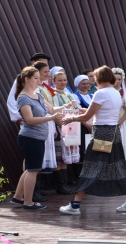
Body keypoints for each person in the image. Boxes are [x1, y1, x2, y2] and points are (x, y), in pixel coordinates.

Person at [61, 66, 126, 215]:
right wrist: (81, 111)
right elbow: (99, 111)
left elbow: (86, 117)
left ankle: (75, 205)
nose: (93, 81)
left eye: (94, 78)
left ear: (99, 78)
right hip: (114, 132)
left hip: (101, 133)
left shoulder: (100, 93)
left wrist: (71, 117)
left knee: (91, 166)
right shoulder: (116, 93)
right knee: (117, 166)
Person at [9, 67, 64, 210]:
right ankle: (28, 202)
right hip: (30, 138)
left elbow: (51, 110)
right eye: (36, 78)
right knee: (33, 170)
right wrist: (50, 118)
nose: (39, 81)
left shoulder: (38, 95)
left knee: (30, 169)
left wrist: (68, 107)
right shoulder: (23, 98)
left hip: (38, 138)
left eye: (39, 78)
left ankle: (17, 197)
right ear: (27, 79)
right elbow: (29, 119)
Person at [50, 69, 79, 193]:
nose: (62, 82)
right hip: (59, 126)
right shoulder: (53, 95)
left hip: (70, 127)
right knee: (59, 156)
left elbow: (77, 109)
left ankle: (65, 183)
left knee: (65, 157)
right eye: (59, 80)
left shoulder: (70, 95)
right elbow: (54, 111)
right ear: (53, 81)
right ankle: (59, 185)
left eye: (64, 80)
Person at [111, 68, 126, 171]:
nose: (117, 81)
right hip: (110, 121)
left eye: (119, 79)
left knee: (123, 144)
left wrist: (120, 121)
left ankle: (122, 170)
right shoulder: (108, 93)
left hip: (123, 122)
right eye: (115, 79)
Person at [72, 74, 94, 172]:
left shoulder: (92, 95)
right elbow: (76, 112)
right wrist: (87, 125)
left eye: (87, 84)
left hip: (93, 125)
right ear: (78, 85)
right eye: (83, 84)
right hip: (82, 126)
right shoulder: (74, 96)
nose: (86, 86)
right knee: (82, 149)